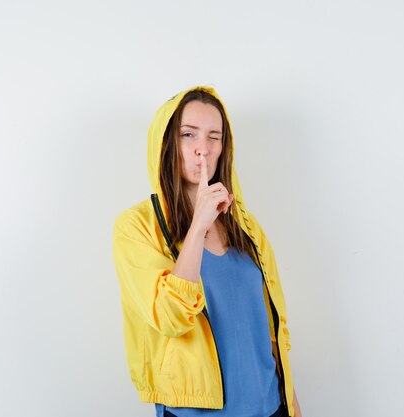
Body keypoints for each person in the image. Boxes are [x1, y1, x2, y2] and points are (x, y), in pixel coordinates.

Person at [112, 86, 302, 417]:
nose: (203, 149)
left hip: (270, 407)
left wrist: (293, 405)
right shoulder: (135, 227)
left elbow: (273, 331)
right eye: (189, 134)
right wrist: (198, 225)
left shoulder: (245, 225)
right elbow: (170, 316)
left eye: (214, 137)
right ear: (167, 143)